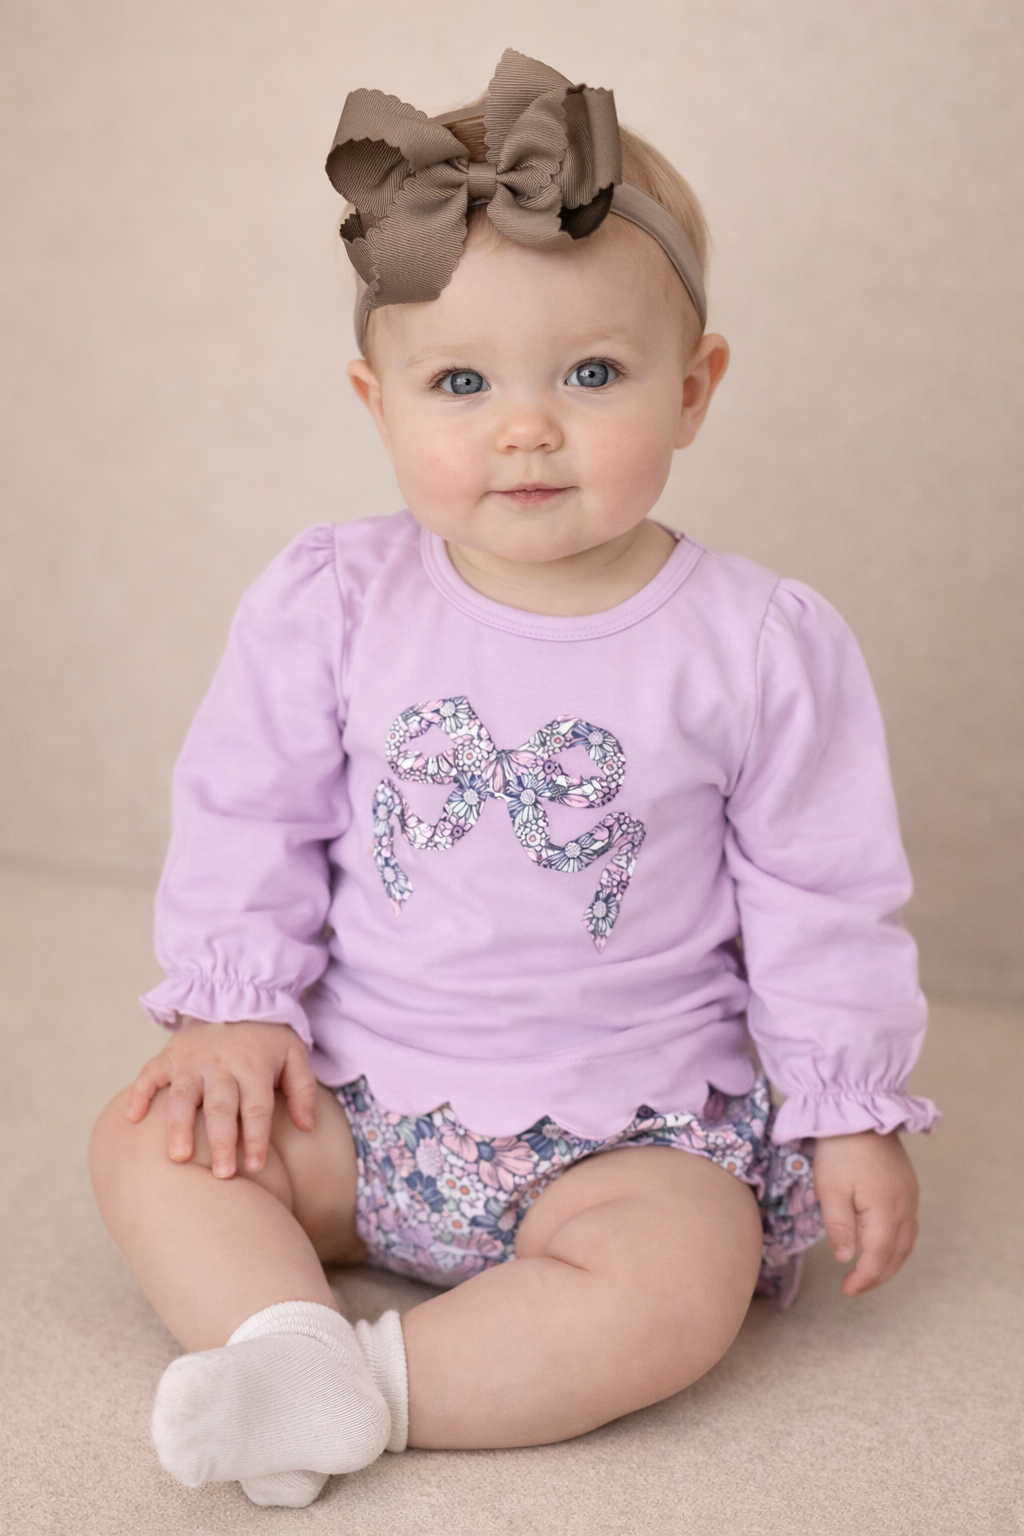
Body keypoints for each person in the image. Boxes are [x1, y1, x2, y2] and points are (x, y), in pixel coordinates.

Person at [89, 49, 937, 1510]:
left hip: (632, 1130)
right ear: (378, 401)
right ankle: (281, 1334)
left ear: (696, 387)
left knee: (685, 1279)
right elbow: (251, 810)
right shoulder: (334, 599)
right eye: (461, 382)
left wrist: (844, 1101)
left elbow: (820, 891)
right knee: (151, 1136)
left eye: (593, 374)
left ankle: (370, 1392)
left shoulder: (757, 644)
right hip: (357, 1096)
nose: (524, 426)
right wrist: (233, 1009)